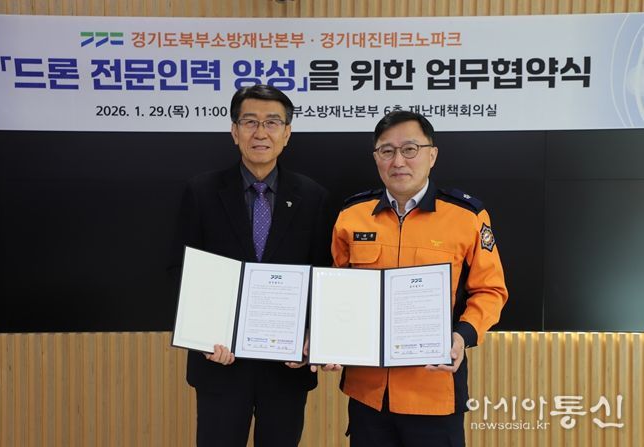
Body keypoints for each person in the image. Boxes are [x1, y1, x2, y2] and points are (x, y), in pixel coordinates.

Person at [327, 110, 508, 446]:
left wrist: (462, 336)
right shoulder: (351, 216)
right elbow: (338, 292)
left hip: (434, 390)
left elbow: (491, 290)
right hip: (369, 393)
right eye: (387, 151)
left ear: (432, 155)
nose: (398, 161)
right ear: (376, 158)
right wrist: (332, 338)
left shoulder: (466, 216)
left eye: (410, 149)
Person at [176, 84, 332, 446]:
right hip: (220, 361)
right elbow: (180, 271)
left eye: (272, 122)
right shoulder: (201, 192)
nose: (261, 132)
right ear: (234, 131)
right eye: (250, 122)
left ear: (287, 133)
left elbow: (324, 275)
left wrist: (311, 336)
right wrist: (201, 334)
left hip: (286, 367)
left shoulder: (313, 197)